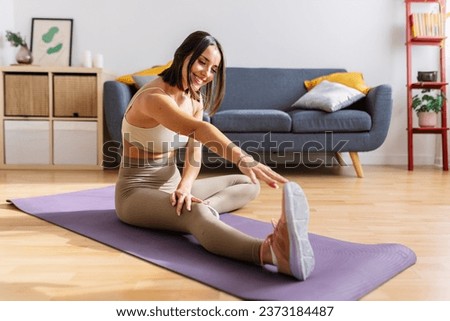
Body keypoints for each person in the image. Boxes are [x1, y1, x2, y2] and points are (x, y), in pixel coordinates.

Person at [115, 31, 315, 280]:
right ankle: (271, 253)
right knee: (195, 215)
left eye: (213, 69)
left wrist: (185, 187)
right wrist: (244, 159)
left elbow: (194, 152)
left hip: (172, 185)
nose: (206, 74)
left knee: (248, 183)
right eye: (202, 62)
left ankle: (204, 210)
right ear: (183, 56)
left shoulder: (194, 100)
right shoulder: (154, 98)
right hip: (136, 193)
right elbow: (200, 130)